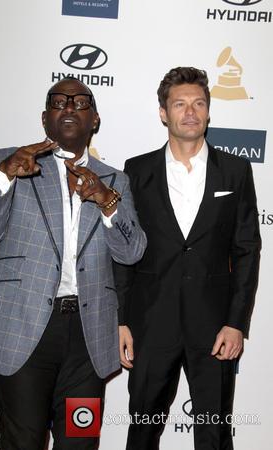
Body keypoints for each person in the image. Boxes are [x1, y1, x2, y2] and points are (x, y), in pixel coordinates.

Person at [0, 77, 147, 450]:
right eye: (59, 102)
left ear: (95, 120)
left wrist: (107, 201)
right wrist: (2, 176)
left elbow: (132, 252)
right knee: (25, 441)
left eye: (80, 103)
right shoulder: (10, 161)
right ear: (44, 117)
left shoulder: (116, 180)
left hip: (88, 337)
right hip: (20, 327)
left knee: (79, 441)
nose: (69, 108)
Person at [114, 67, 261, 449]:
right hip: (151, 321)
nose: (190, 112)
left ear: (209, 111)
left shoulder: (236, 170)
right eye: (180, 104)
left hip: (214, 326)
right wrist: (121, 320)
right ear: (164, 113)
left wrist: (236, 322)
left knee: (213, 431)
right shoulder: (136, 171)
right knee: (142, 428)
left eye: (199, 103)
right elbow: (125, 250)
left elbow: (247, 249)